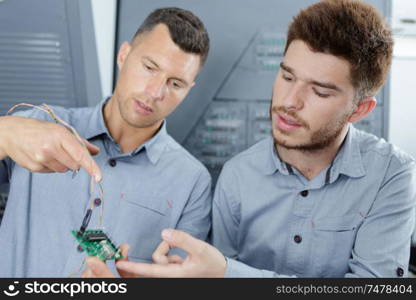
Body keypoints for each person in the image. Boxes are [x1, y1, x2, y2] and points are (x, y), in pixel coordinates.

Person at [84, 0, 416, 278]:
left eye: (319, 91)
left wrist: (227, 273)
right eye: (287, 75)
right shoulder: (238, 176)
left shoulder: (391, 175)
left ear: (359, 109)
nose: (290, 101)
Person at [0, 7, 212, 277]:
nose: (155, 92)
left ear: (189, 89)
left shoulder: (192, 182)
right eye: (149, 68)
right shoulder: (38, 124)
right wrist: (4, 133)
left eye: (176, 83)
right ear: (123, 55)